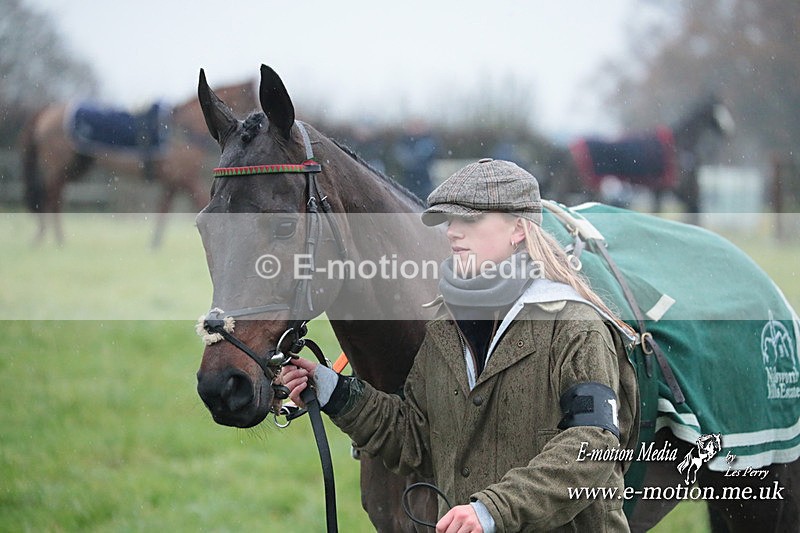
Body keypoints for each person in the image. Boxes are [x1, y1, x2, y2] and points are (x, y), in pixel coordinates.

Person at [282, 158, 640, 532]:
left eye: (468, 220)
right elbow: (415, 439)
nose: (452, 233)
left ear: (518, 229)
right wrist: (334, 391)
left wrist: (492, 511)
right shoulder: (445, 329)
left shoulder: (575, 326)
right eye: (449, 222)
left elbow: (593, 449)